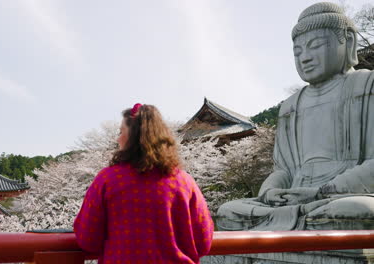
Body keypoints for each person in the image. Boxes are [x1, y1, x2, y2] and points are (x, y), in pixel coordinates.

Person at [216, 2, 374, 231]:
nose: (305, 58)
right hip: (293, 199)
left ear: (348, 41)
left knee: (355, 211)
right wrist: (270, 192)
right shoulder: (291, 106)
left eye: (315, 46)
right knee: (228, 211)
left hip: (342, 196)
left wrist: (323, 191)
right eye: (297, 52)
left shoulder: (367, 85)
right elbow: (284, 170)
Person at [74, 104, 214, 263]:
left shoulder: (107, 179)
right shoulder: (185, 182)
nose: (117, 138)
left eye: (121, 132)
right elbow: (203, 242)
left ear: (133, 137)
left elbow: (88, 240)